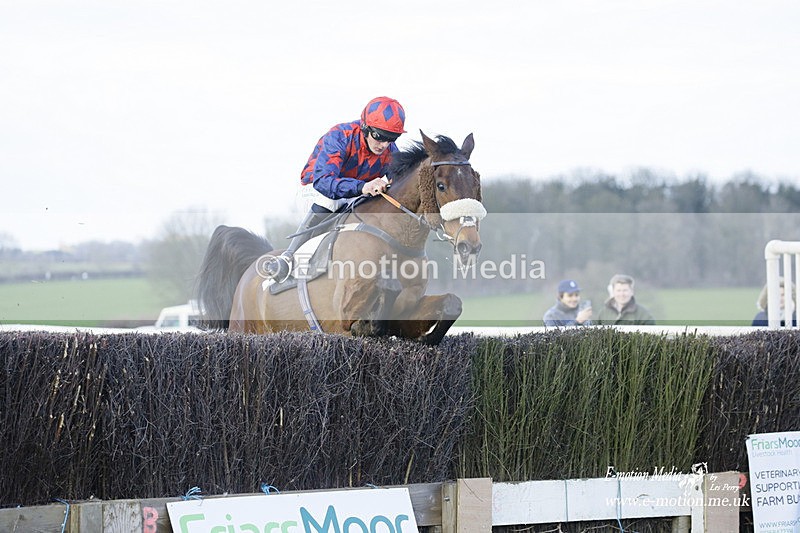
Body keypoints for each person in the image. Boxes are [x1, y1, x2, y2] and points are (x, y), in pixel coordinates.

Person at [262, 96, 406, 281]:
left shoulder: (390, 150)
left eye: (391, 138)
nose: (384, 144)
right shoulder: (339, 136)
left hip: (354, 193)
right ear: (365, 127)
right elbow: (324, 182)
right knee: (330, 201)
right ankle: (287, 258)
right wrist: (363, 187)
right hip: (315, 189)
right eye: (379, 136)